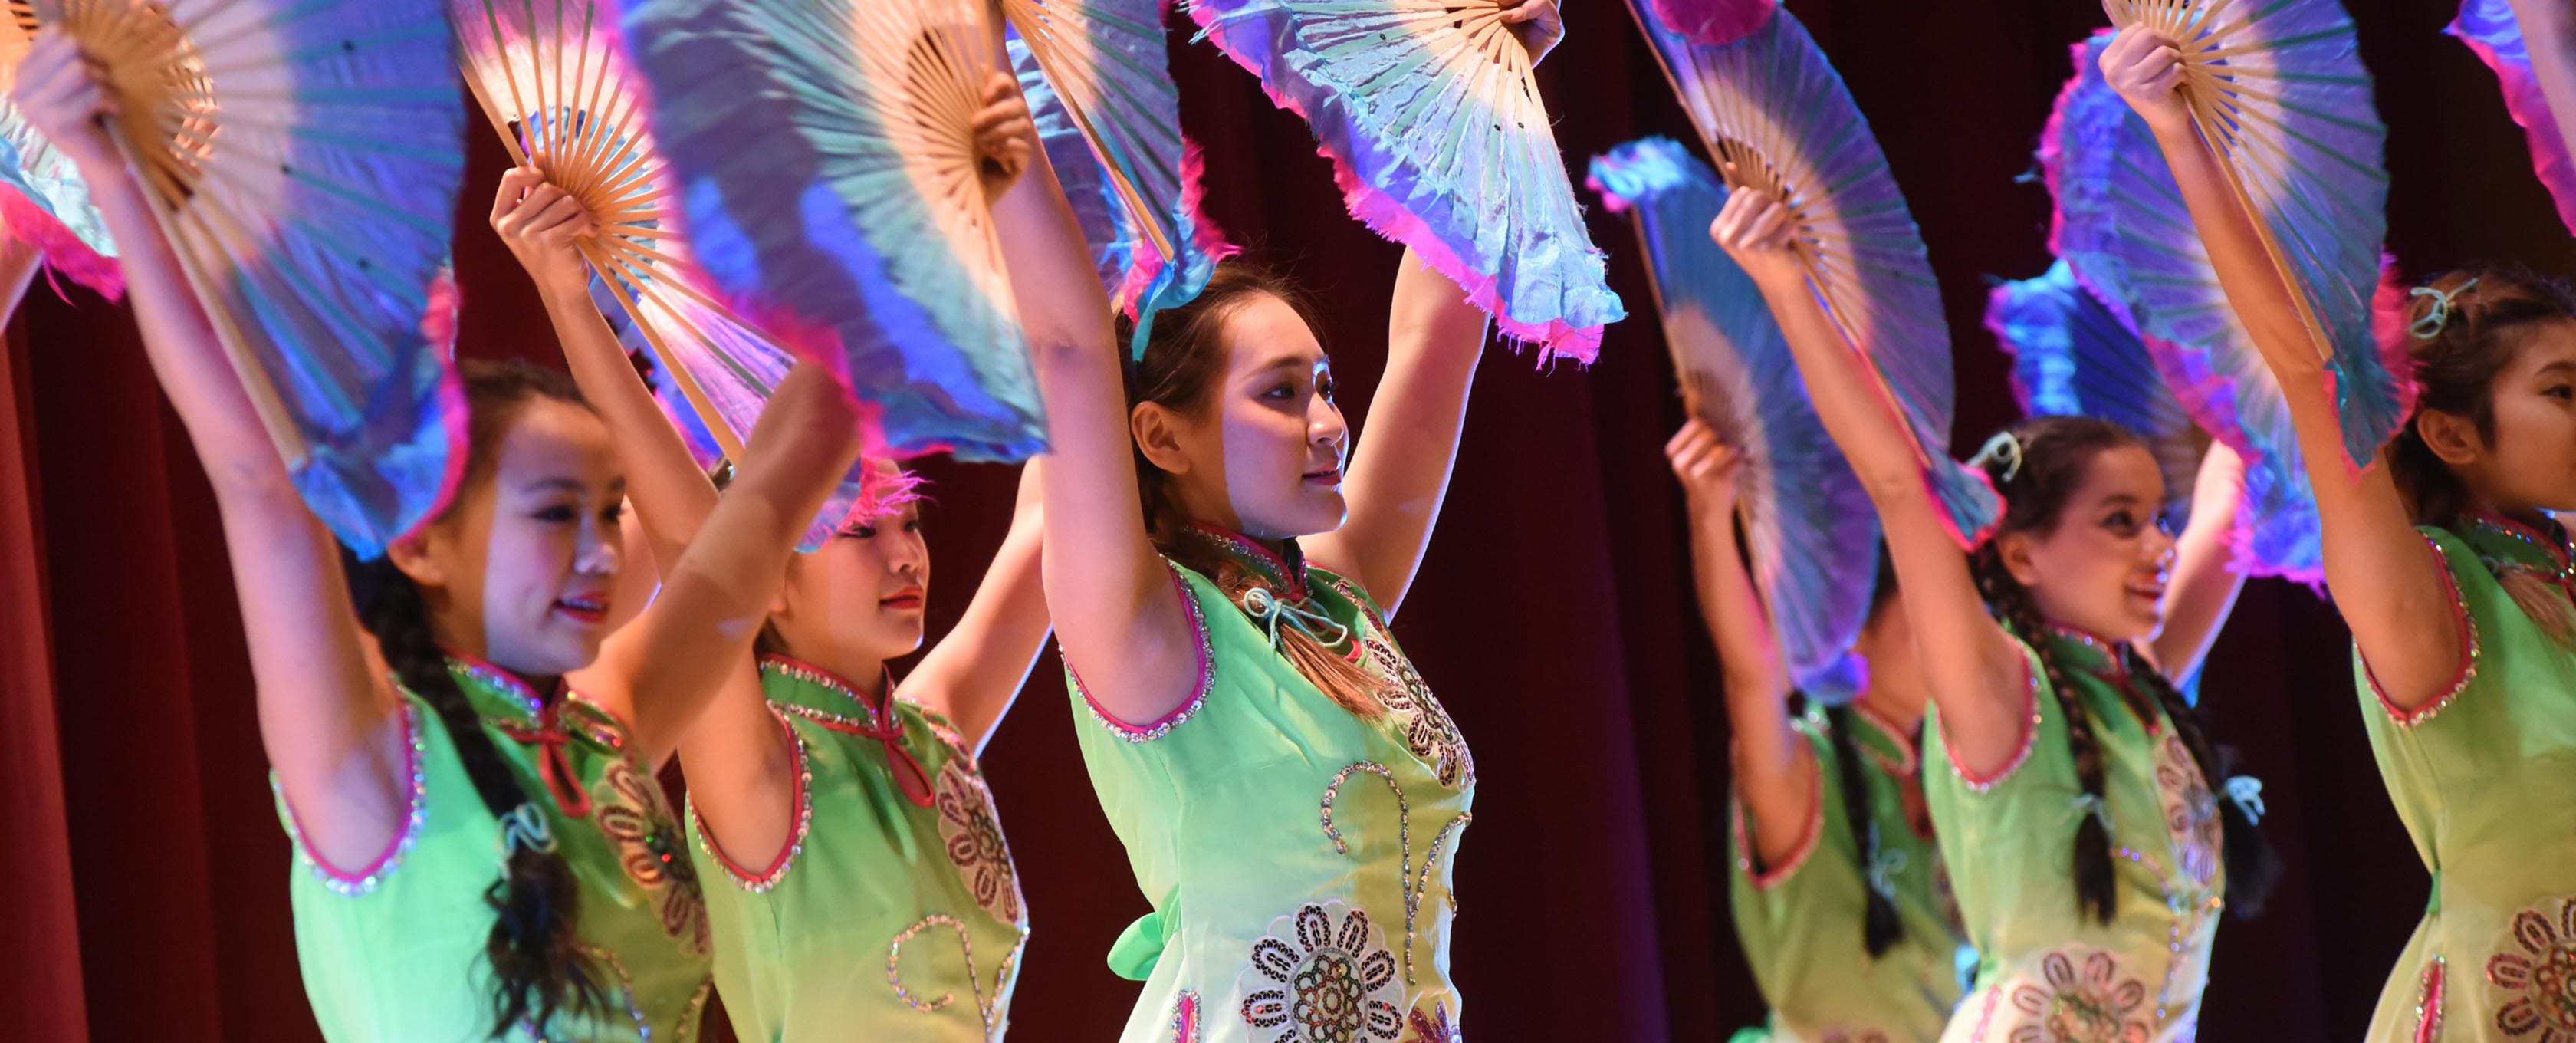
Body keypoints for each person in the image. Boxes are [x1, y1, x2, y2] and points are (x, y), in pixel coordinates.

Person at [9, 31, 866, 1042]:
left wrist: (884, 202)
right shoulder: (369, 762)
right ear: (422, 543)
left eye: (605, 509)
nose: (601, 550)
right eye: (556, 513)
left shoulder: (605, 731)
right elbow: (256, 482)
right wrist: (114, 176)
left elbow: (769, 497)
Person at [1004, 2, 1556, 1035]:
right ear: (1160, 436)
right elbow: (1072, 349)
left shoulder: (1343, 605)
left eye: (1326, 387)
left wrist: (1489, 83)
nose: (1328, 423)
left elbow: (1437, 344)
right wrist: (995, 112)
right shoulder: (1149, 635)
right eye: (1281, 393)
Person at [485, 74, 1055, 1040]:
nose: (906, 553)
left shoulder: (934, 730)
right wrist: (571, 302)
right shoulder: (762, 769)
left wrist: (1040, 222)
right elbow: (689, 537)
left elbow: (1051, 522)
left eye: (907, 523)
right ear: (772, 573)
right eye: (860, 530)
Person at [1708, 182, 2275, 1041]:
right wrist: (1786, 285)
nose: (2161, 549)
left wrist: (2228, 218)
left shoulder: (2142, 691)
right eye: (2120, 523)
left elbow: (2237, 466)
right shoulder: (1996, 692)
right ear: (2019, 551)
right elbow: (1898, 481)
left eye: (2160, 521)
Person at [2104, 25, 2576, 1041]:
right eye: (2565, 392)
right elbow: (2312, 375)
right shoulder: (2432, 596)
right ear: (2451, 431)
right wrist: (2182, 136)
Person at [1667, 419, 1969, 1043]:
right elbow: (1750, 673)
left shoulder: (1960, 769)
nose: (1954, 633)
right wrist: (1709, 514)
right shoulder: (1806, 768)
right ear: (1853, 622)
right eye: (1925, 614)